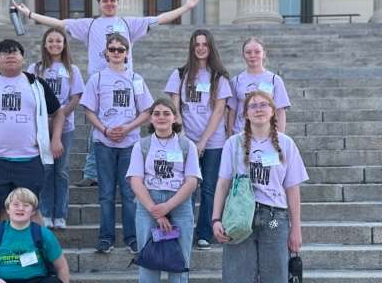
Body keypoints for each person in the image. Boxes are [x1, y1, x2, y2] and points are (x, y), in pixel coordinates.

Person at [13, 0, 203, 187]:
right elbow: (59, 23)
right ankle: (92, 171)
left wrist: (186, 8)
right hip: (99, 83)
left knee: (121, 126)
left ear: (117, 3)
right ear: (99, 4)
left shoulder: (128, 23)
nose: (109, 4)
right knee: (97, 129)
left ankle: (123, 173)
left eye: (113, 0)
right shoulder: (90, 24)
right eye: (105, 1)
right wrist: (30, 14)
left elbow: (160, 19)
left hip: (124, 80)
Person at [212, 91, 308, 283]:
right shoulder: (233, 144)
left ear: (273, 110)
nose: (258, 109)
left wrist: (297, 228)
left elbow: (293, 189)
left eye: (263, 104)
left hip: (275, 220)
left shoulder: (287, 145)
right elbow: (222, 182)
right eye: (252, 106)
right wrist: (215, 219)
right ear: (245, 113)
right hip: (241, 219)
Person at [126, 98, 201, 283]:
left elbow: (191, 181)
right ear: (150, 118)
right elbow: (135, 179)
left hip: (179, 205)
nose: (161, 117)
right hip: (148, 203)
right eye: (156, 113)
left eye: (166, 113)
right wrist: (154, 209)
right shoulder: (142, 146)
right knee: (148, 267)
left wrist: (167, 207)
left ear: (175, 117)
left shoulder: (186, 145)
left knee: (179, 267)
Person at [0, 39, 65, 218]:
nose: (10, 56)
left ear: (23, 59)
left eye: (15, 52)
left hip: (30, 160)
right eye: (4, 53)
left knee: (31, 210)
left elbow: (58, 113)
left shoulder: (37, 84)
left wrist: (56, 138)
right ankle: (3, 246)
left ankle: (35, 246)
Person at [79, 33, 154, 254]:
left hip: (130, 143)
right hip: (104, 142)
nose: (116, 53)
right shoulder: (97, 78)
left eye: (120, 49)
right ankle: (106, 237)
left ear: (127, 53)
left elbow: (147, 111)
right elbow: (89, 110)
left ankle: (132, 237)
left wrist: (128, 128)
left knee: (130, 194)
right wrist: (105, 129)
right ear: (106, 52)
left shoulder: (136, 79)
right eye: (112, 49)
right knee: (106, 193)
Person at [164, 29, 231, 250]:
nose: (200, 48)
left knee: (209, 187)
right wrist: (185, 137)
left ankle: (204, 233)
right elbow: (175, 107)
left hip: (213, 142)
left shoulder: (219, 77)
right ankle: (183, 231)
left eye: (204, 44)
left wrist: (202, 142)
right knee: (185, 187)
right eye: (196, 44)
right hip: (185, 140)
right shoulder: (180, 74)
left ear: (210, 47)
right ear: (192, 48)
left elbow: (219, 111)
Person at [27, 28, 84, 230]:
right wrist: (46, 119)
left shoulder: (72, 69)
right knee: (45, 170)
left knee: (61, 171)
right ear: (44, 44)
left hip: (65, 127)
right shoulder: (35, 68)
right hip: (40, 127)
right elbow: (29, 96)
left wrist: (60, 115)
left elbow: (76, 97)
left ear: (64, 44)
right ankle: (45, 213)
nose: (54, 44)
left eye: (58, 41)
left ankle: (60, 214)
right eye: (50, 41)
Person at [227, 36, 290, 136]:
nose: (252, 55)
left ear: (264, 54)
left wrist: (280, 137)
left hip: (267, 135)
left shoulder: (275, 80)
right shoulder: (236, 81)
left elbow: (280, 112)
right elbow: (232, 111)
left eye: (257, 52)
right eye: (248, 52)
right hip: (241, 134)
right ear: (243, 55)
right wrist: (230, 136)